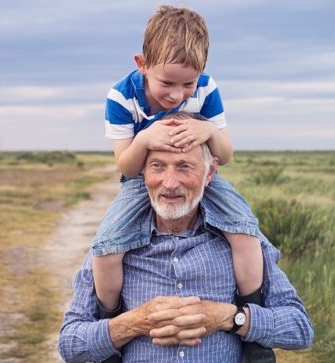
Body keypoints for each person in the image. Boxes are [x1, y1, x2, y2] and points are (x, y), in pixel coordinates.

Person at [94, 5, 271, 359]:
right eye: (167, 83)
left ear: (202, 73)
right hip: (142, 177)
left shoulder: (207, 89)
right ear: (142, 64)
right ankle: (110, 324)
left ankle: (253, 332)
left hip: (204, 174)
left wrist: (207, 129)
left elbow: (226, 152)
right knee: (106, 245)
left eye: (187, 83)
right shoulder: (121, 97)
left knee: (245, 230)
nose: (177, 95)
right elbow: (127, 166)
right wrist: (146, 140)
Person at [59, 140, 314, 362]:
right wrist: (133, 322)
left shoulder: (245, 242)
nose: (170, 183)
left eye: (184, 166)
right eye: (157, 166)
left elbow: (299, 329)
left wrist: (229, 317)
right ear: (142, 173)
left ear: (210, 171)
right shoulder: (112, 245)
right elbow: (70, 345)